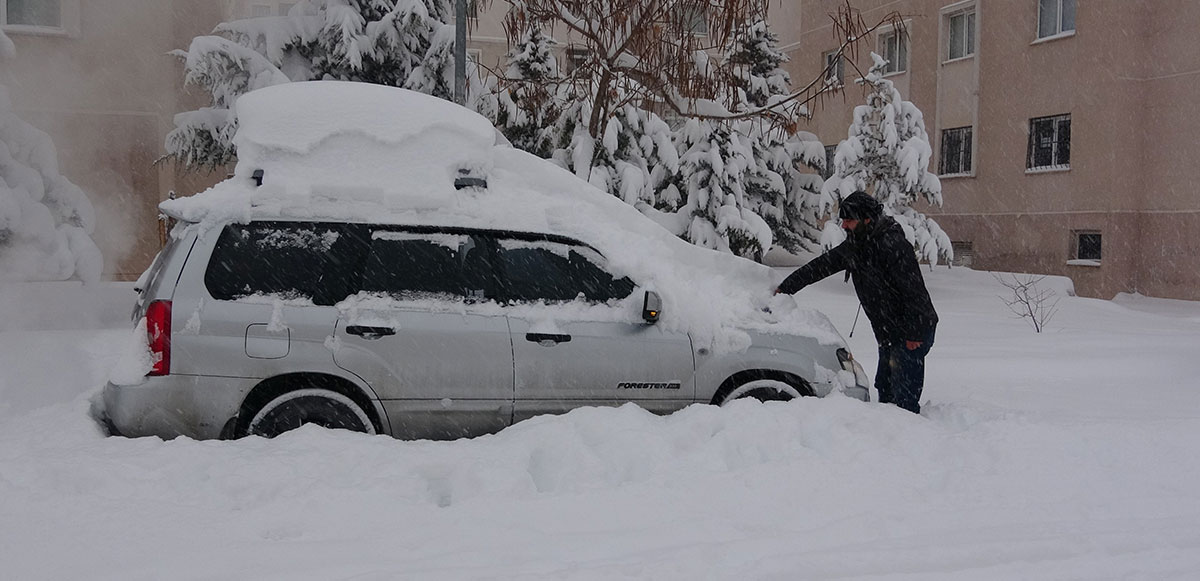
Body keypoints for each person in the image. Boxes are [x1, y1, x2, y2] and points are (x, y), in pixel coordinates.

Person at [774, 191, 937, 414]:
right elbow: (821, 266)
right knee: (885, 386)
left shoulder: (894, 245)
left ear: (866, 219)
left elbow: (914, 292)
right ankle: (889, 432)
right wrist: (786, 287)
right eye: (843, 220)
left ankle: (908, 437)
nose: (844, 226)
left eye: (849, 220)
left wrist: (915, 334)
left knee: (904, 395)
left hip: (913, 330)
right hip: (889, 331)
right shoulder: (857, 245)